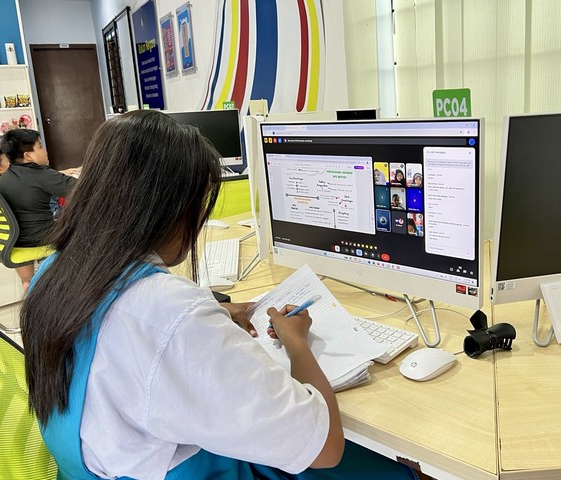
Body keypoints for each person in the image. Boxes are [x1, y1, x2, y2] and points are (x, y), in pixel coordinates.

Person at [21, 111, 418, 480]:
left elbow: (126, 338)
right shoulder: (168, 312)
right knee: (392, 470)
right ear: (172, 209)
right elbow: (326, 448)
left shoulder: (53, 272)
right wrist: (297, 342)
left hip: (106, 465)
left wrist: (216, 317)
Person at [0, 128, 77, 290]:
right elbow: (82, 188)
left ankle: (28, 284)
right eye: (40, 146)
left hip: (15, 240)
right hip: (43, 238)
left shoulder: (6, 177)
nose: (44, 151)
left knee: (28, 282)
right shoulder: (42, 174)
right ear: (28, 156)